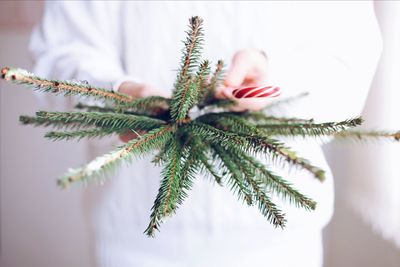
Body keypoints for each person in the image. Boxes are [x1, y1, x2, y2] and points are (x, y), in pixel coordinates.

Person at [30, 1, 381, 267]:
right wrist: (118, 93)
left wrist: (275, 78)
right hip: (136, 242)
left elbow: (349, 54)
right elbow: (62, 51)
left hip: (279, 240)